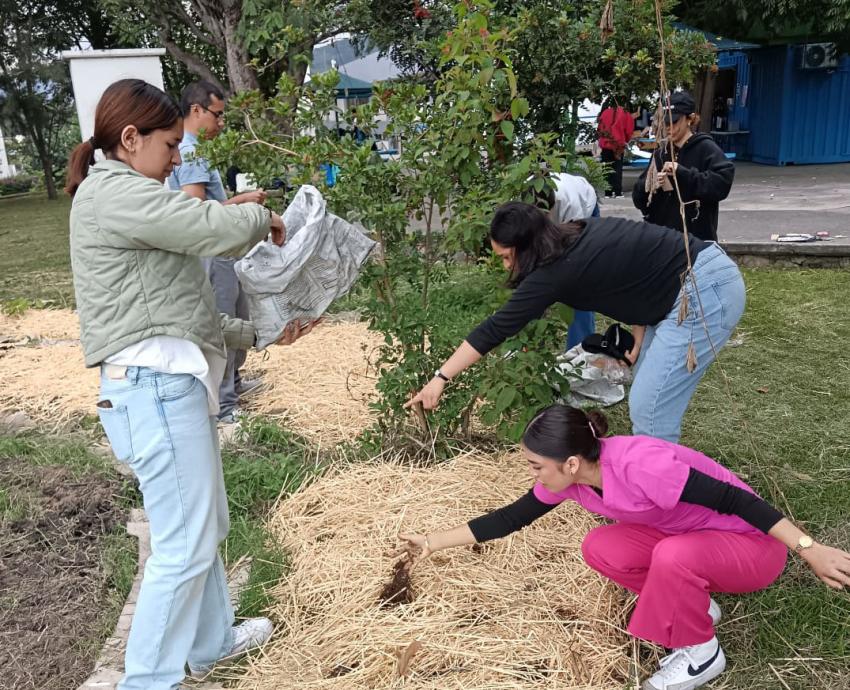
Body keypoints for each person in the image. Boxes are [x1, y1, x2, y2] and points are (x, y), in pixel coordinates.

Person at [65, 78, 317, 690]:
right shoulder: (113, 193)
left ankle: (210, 643)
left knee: (204, 529)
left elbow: (184, 313)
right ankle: (146, 681)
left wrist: (259, 335)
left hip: (167, 386)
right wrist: (261, 216)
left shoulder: (131, 199)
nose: (178, 158)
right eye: (171, 144)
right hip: (154, 389)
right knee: (182, 546)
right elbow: (212, 229)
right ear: (131, 138)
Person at [398, 404, 850, 690]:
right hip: (695, 540)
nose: (533, 474)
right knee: (601, 546)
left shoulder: (641, 465)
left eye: (536, 466)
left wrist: (808, 548)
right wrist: (432, 542)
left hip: (752, 546)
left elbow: (737, 500)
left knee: (671, 556)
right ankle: (694, 606)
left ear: (569, 463)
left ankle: (702, 653)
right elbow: (510, 518)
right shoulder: (574, 480)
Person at [405, 202, 745, 443]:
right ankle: (651, 479)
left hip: (702, 290)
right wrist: (640, 338)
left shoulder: (555, 272)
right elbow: (637, 271)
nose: (506, 266)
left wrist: (440, 378)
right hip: (695, 276)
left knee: (650, 407)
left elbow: (496, 328)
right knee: (646, 391)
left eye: (507, 257)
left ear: (526, 247)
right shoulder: (574, 232)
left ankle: (656, 501)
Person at [168, 80, 267, 424]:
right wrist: (243, 201)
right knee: (223, 324)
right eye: (218, 115)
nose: (221, 123)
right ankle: (224, 407)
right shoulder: (191, 152)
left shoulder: (194, 149)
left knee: (237, 316)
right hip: (212, 252)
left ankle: (234, 386)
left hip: (222, 250)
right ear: (196, 110)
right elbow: (197, 212)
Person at [633, 91, 735, 242]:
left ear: (690, 119)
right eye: (665, 122)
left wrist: (683, 173)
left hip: (695, 241)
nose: (669, 128)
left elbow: (721, 185)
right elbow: (638, 199)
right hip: (661, 240)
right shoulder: (661, 153)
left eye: (674, 121)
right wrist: (650, 185)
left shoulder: (706, 148)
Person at [534, 172, 599, 349]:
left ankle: (579, 347)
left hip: (585, 206)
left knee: (580, 283)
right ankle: (532, 340)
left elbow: (575, 250)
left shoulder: (571, 204)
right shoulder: (520, 197)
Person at [597, 99, 634, 197]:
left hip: (606, 145)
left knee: (606, 168)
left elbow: (600, 128)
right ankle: (617, 192)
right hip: (618, 145)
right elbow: (629, 131)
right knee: (617, 168)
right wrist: (625, 141)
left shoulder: (605, 113)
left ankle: (607, 192)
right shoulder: (626, 115)